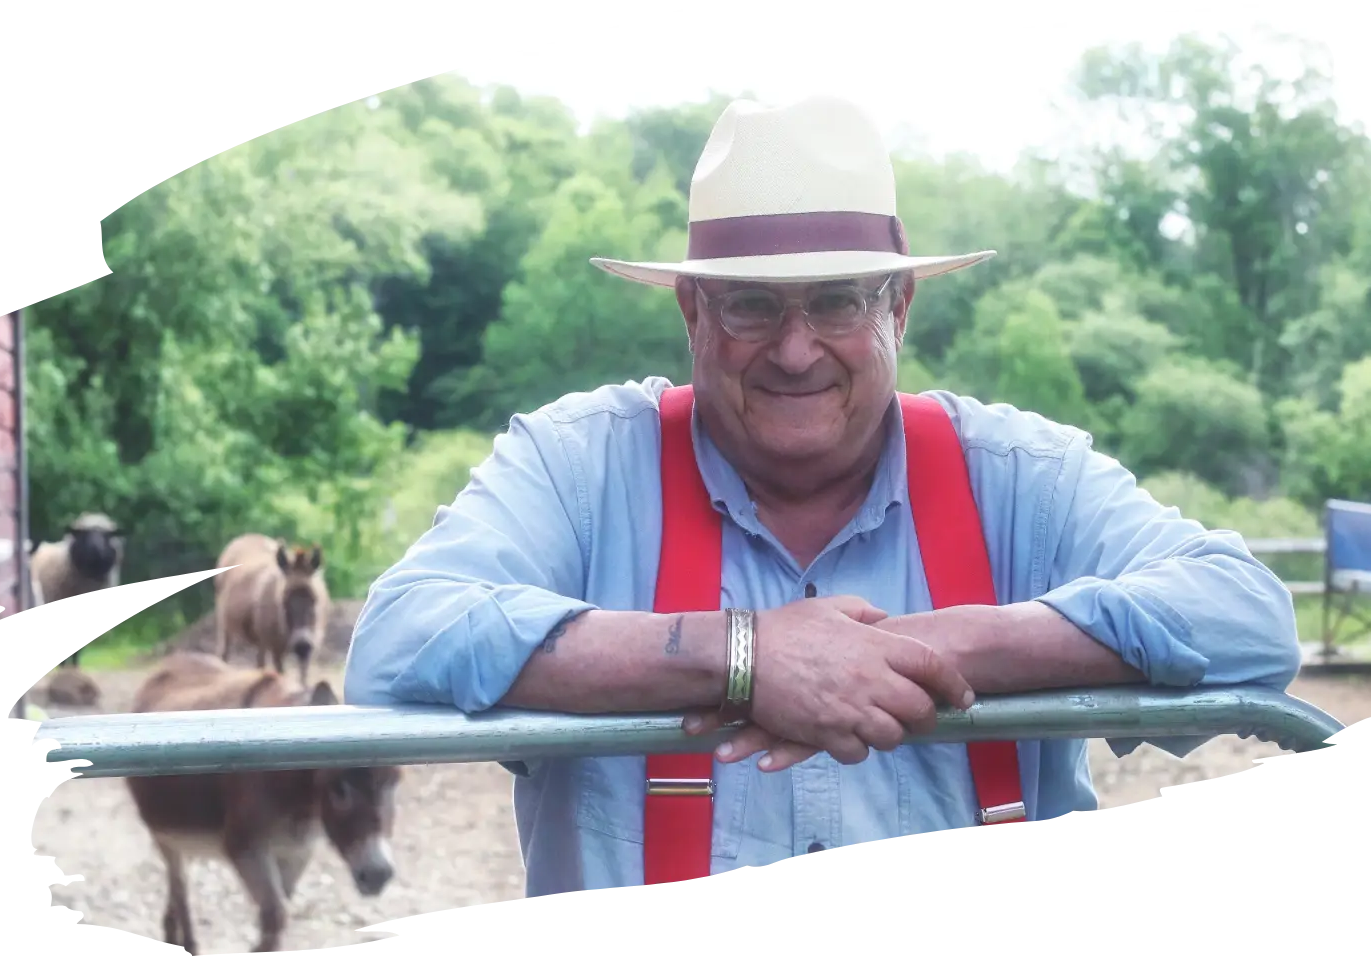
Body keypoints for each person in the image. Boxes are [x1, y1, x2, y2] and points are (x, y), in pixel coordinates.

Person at [344, 93, 1303, 897]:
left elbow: (1246, 616)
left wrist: (941, 648)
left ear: (899, 308)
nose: (796, 350)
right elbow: (400, 640)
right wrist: (745, 656)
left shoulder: (1018, 474)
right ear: (692, 311)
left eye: (838, 300)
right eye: (752, 304)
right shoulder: (578, 465)